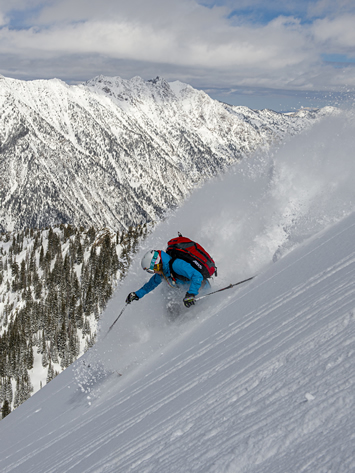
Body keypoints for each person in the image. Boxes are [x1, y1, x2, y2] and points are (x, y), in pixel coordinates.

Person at [126, 249, 209, 308]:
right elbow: (150, 285)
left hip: (202, 292)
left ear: (158, 263)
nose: (154, 273)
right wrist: (137, 294)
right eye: (151, 272)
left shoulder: (176, 265)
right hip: (189, 297)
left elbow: (197, 276)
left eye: (154, 270)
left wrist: (191, 294)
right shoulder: (163, 273)